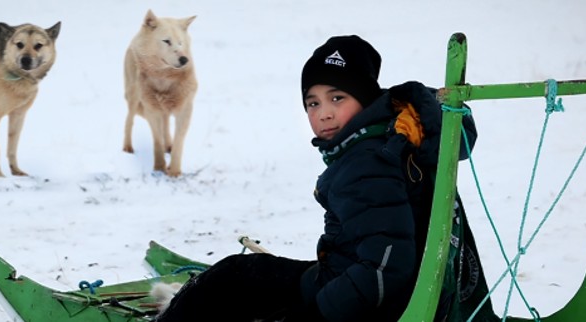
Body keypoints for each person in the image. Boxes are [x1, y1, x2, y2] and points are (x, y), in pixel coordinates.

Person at [154, 35, 493, 322]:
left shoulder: (370, 162)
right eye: (312, 103)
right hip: (352, 281)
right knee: (244, 274)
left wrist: (318, 312)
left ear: (365, 100)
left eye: (337, 98)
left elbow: (385, 268)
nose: (324, 113)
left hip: (366, 303)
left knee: (230, 279)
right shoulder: (391, 142)